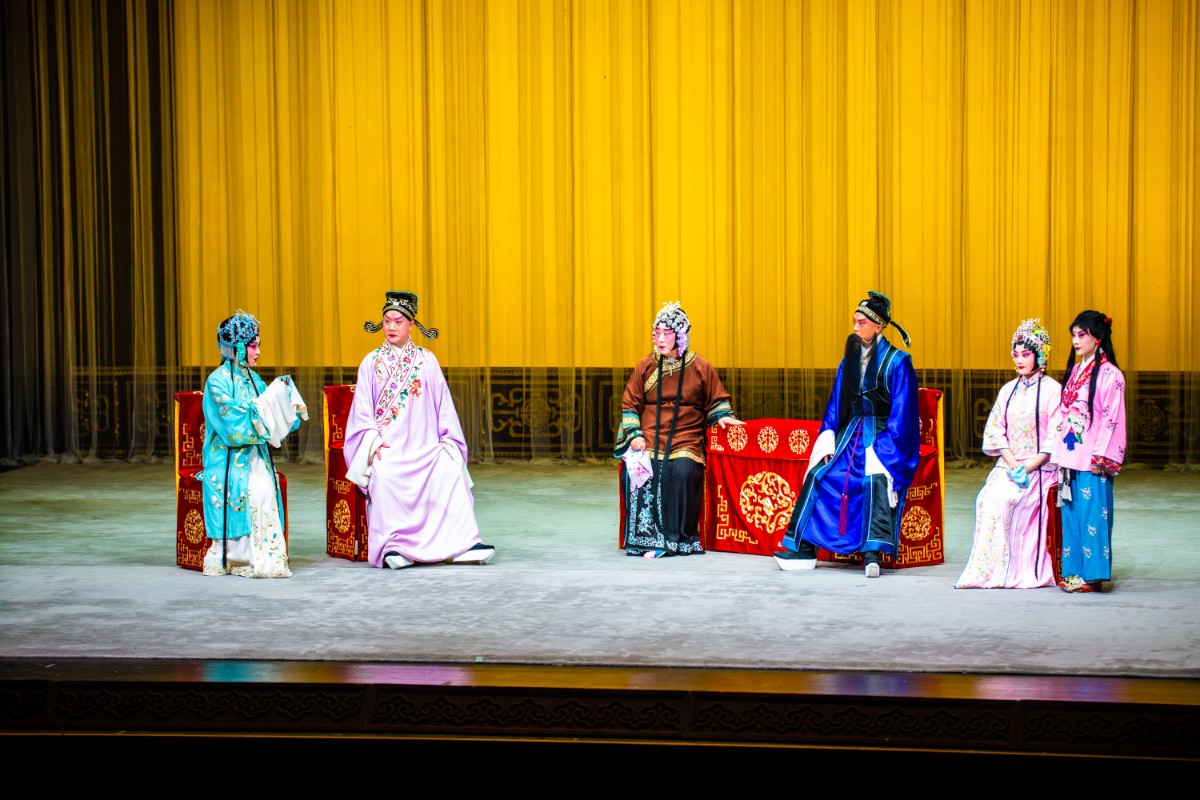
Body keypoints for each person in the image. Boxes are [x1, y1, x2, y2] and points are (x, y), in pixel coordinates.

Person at [343, 291, 494, 570]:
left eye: (398, 321)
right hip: (389, 448)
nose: (391, 327)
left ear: (411, 324)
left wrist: (447, 440)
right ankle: (393, 547)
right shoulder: (371, 362)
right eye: (387, 321)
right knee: (385, 475)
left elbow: (443, 406)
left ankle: (463, 544)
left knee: (449, 469)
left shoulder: (427, 360)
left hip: (425, 447)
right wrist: (372, 442)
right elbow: (361, 411)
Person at [774, 291, 918, 577]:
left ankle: (873, 552)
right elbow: (835, 405)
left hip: (882, 436)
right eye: (854, 321)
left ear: (879, 326)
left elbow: (903, 414)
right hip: (850, 433)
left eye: (861, 322)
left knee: (874, 478)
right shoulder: (848, 361)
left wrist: (884, 450)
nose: (855, 328)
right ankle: (803, 547)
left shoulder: (898, 361)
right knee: (821, 475)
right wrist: (828, 438)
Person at [614, 302, 743, 558]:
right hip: (649, 436)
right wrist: (635, 435)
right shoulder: (646, 365)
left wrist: (723, 417)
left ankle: (678, 539)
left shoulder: (701, 366)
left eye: (667, 333)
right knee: (646, 469)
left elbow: (717, 401)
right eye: (657, 333)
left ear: (681, 336)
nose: (660, 339)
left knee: (682, 471)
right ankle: (647, 539)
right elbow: (630, 404)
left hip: (686, 437)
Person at [200, 310, 306, 578]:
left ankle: (265, 556)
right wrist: (263, 409)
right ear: (236, 347)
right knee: (253, 490)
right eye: (252, 346)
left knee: (265, 490)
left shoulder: (253, 378)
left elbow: (266, 411)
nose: (258, 352)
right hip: (226, 457)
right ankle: (238, 558)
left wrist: (281, 396)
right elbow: (231, 425)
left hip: (255, 454)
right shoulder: (216, 381)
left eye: (258, 345)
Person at [956, 319, 1061, 589]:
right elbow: (995, 429)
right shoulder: (1008, 390)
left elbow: (1055, 436)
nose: (1019, 360)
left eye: (1026, 354)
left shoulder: (1053, 390)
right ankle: (989, 570)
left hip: (1041, 468)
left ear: (1040, 355)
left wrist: (1028, 467)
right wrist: (1013, 465)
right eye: (1016, 355)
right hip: (1010, 465)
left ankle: (1017, 569)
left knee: (1010, 502)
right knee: (986, 498)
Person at [1044, 311, 1126, 593]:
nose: (1076, 341)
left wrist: (1101, 457)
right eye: (1073, 335)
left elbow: (1112, 419)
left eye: (1082, 335)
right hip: (1070, 455)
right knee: (1072, 516)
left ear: (1098, 338)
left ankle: (1093, 577)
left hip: (1092, 459)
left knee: (1093, 518)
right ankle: (1074, 572)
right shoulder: (1077, 371)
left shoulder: (1111, 375)